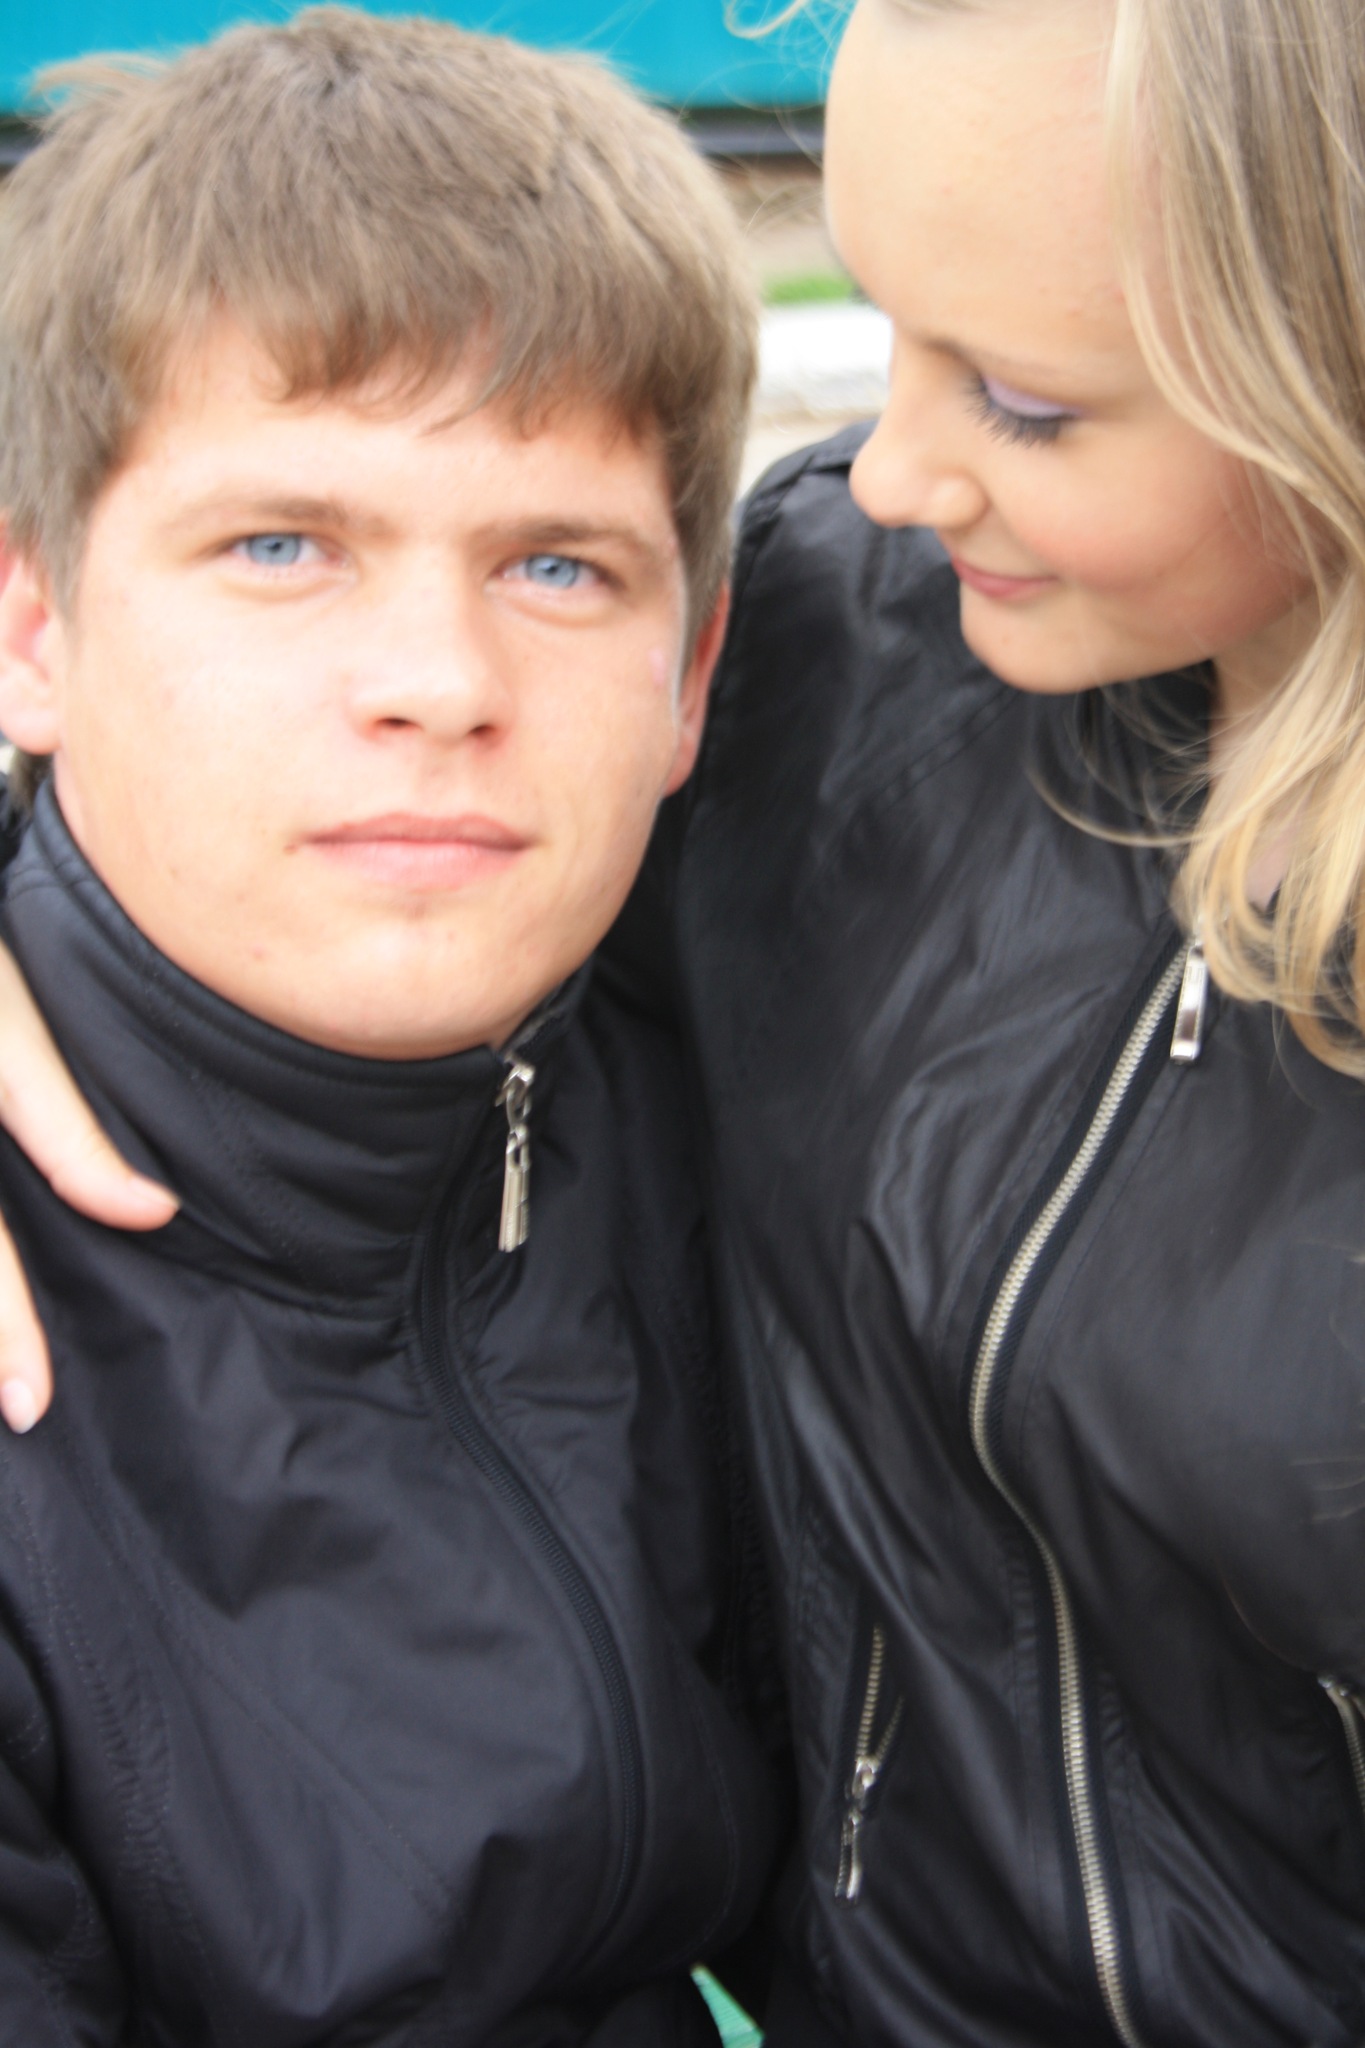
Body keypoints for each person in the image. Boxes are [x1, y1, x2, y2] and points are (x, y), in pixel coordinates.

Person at [5, 0, 1365, 2040]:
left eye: (1020, 399)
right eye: (283, 548)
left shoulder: (657, 971)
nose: (438, 677)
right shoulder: (864, 644)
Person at [0, 12, 781, 2043]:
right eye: (280, 546)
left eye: (558, 565)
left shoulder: (755, 1027)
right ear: (32, 624)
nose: (439, 676)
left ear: (694, 676)